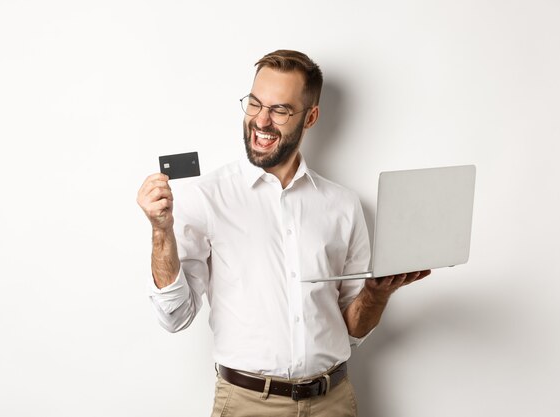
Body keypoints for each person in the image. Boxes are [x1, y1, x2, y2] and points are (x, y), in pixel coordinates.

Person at [137, 50, 431, 417]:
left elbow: (353, 331)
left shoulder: (343, 205)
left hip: (334, 402)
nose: (261, 121)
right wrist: (160, 231)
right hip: (247, 405)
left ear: (311, 117)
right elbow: (174, 316)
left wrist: (377, 293)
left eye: (279, 110)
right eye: (255, 104)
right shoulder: (206, 197)